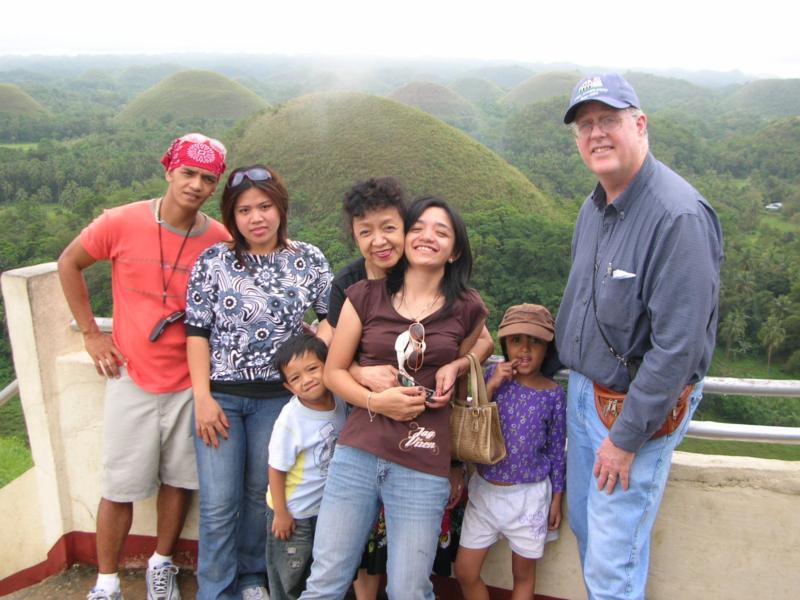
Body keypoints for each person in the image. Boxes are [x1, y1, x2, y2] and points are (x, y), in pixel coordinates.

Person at [555, 73, 723, 599]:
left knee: (612, 558)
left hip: (634, 414)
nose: (597, 134)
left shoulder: (678, 217)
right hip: (584, 394)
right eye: (586, 125)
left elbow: (679, 347)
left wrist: (625, 440)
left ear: (640, 124)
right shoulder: (595, 206)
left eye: (609, 120)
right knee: (589, 530)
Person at [57, 133, 229, 600]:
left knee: (180, 479)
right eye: (188, 173)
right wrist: (92, 332)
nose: (195, 185)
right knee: (119, 484)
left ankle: (161, 564)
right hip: (131, 375)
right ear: (168, 170)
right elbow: (69, 262)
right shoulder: (121, 222)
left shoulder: (218, 239)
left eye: (207, 178)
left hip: (191, 381)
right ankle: (107, 581)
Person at [300, 196, 488, 600]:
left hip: (423, 462)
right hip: (359, 453)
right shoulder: (364, 295)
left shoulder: (468, 307)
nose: (426, 236)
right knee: (326, 580)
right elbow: (333, 371)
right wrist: (375, 402)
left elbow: (475, 349)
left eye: (441, 231)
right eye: (418, 227)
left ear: (455, 250)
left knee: (409, 589)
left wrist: (457, 365)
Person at [185, 165, 332, 600]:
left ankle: (252, 578)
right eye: (245, 210)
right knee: (217, 502)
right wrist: (202, 398)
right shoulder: (213, 261)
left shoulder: (308, 259)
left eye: (265, 206)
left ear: (280, 207)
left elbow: (334, 318)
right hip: (222, 398)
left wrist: (306, 365)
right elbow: (196, 332)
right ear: (232, 217)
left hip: (279, 402)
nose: (257, 218)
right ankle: (214, 589)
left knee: (258, 496)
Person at [455, 303, 566, 600]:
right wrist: (490, 386)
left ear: (548, 348)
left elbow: (557, 450)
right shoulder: (493, 377)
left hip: (529, 497)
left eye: (535, 341)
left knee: (523, 575)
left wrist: (556, 498)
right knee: (465, 571)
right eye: (516, 340)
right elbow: (472, 421)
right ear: (505, 344)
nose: (525, 350)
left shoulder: (553, 393)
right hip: (485, 491)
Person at [266, 334, 348, 600]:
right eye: (296, 378)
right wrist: (281, 513)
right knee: (289, 577)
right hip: (294, 513)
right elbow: (276, 468)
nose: (307, 380)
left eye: (313, 369)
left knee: (318, 574)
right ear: (289, 388)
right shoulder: (291, 418)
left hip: (325, 511)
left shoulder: (341, 400)